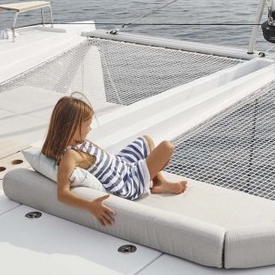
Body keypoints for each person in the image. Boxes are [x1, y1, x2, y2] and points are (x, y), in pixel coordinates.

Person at [41, 95, 187, 225]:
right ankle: (154, 179)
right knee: (167, 147)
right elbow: (62, 194)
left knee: (146, 140)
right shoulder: (70, 156)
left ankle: (159, 182)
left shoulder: (79, 142)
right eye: (87, 125)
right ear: (73, 127)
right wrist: (90, 206)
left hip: (121, 165)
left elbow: (104, 157)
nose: (90, 129)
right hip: (127, 181)